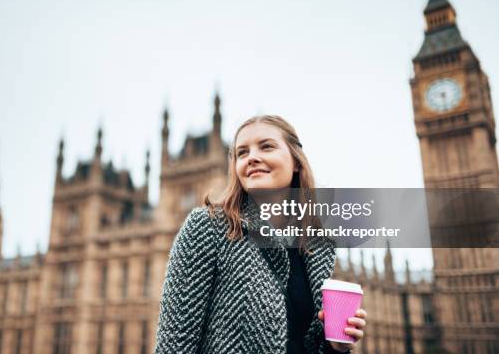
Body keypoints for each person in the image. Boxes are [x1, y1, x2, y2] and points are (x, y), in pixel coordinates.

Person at [155, 115, 367, 354]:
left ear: (296, 161)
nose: (252, 157)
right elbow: (174, 344)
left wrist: (336, 347)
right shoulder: (207, 226)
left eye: (266, 146)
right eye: (242, 152)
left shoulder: (316, 247)